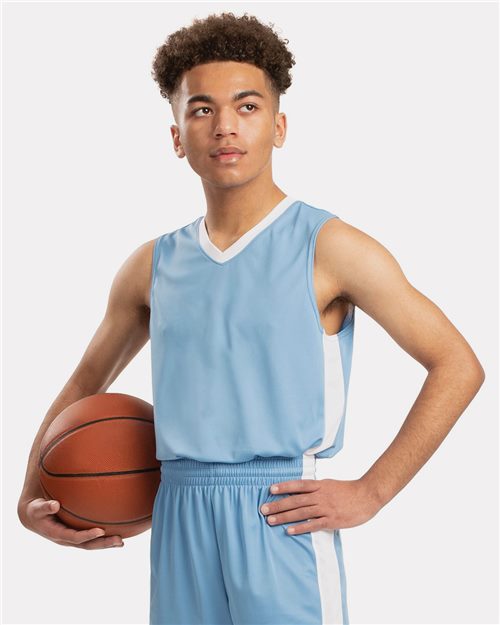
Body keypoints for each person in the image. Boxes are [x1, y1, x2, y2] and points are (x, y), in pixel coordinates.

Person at [18, 11, 485, 625]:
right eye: (202, 109)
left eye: (247, 106)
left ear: (279, 126)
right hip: (178, 514)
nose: (225, 126)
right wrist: (31, 493)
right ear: (177, 136)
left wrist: (372, 492)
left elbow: (457, 364)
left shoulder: (330, 248)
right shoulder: (150, 266)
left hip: (282, 513)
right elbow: (85, 382)